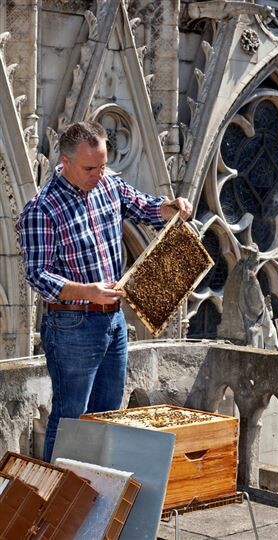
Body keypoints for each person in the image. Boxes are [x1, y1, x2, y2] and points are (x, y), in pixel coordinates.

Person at [17, 121, 192, 461]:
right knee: (71, 418)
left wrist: (171, 208)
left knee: (107, 415)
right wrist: (87, 291)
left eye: (102, 164)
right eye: (90, 168)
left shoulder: (108, 184)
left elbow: (145, 207)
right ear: (64, 162)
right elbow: (37, 276)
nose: (99, 173)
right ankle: (60, 500)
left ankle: (95, 489)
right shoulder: (42, 209)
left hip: (113, 323)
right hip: (71, 326)